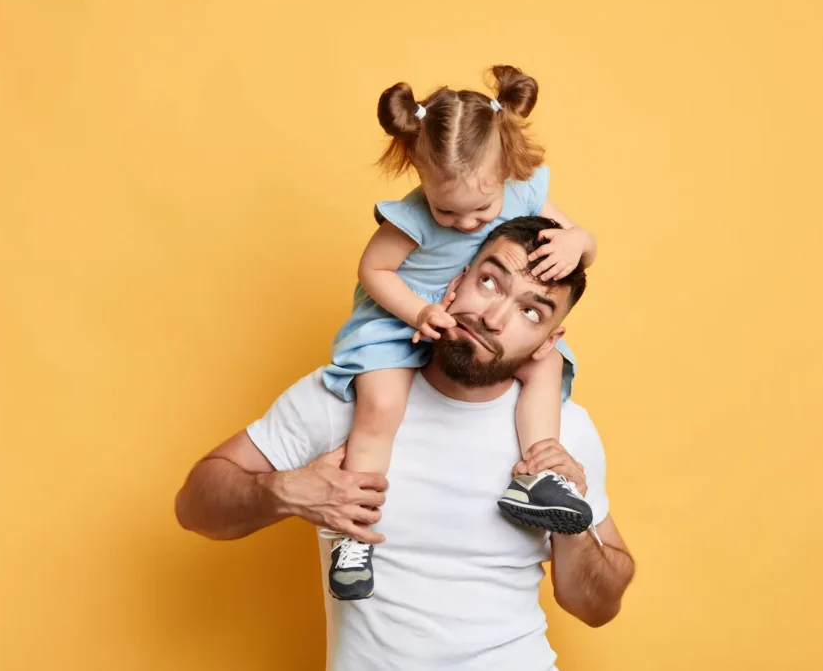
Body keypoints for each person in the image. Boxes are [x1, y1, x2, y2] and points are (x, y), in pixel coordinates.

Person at [175, 217, 635, 671]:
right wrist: (282, 490)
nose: (493, 318)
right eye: (491, 282)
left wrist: (573, 520)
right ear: (457, 280)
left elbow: (598, 607)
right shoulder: (347, 397)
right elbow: (194, 507)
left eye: (530, 312)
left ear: (548, 343)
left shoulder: (563, 432)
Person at [323, 65, 600, 597]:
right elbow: (373, 272)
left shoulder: (522, 193)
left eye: (482, 210)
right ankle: (351, 533)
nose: (468, 224)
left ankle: (539, 475)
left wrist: (578, 240)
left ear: (506, 172)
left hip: (471, 316)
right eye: (447, 209)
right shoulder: (410, 218)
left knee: (548, 362)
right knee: (380, 408)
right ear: (419, 174)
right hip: (399, 317)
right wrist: (418, 315)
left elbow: (583, 250)